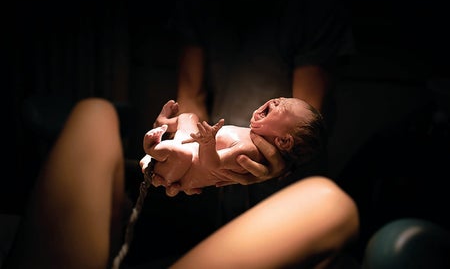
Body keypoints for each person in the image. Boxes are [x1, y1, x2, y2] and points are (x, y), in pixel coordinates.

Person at [3, 98, 359, 269]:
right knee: (96, 110)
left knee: (331, 200)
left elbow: (308, 132)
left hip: (234, 189)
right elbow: (192, 111)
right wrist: (184, 138)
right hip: (188, 178)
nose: (270, 105)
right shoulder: (202, 2)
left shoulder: (309, 10)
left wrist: (274, 170)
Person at [164, 0, 355, 222]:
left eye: (281, 103)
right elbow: (191, 97)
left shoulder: (312, 3)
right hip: (223, 178)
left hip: (291, 187)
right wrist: (185, 148)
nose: (276, 101)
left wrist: (282, 164)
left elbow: (305, 117)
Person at [142, 97, 326, 197]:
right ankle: (163, 123)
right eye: (283, 97)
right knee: (189, 117)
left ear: (284, 142)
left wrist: (208, 143)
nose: (277, 100)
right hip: (186, 148)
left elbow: (212, 165)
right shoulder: (252, 137)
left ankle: (152, 148)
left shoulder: (250, 151)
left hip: (183, 167)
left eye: (284, 107)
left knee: (178, 152)